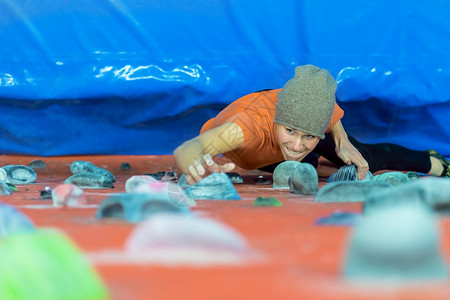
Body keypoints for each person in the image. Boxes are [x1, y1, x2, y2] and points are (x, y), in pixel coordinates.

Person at [174, 65, 449, 185]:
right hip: (256, 131)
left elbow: (329, 113)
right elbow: (190, 149)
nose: (297, 145)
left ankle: (436, 163)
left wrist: (342, 141)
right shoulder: (244, 129)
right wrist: (195, 164)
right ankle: (311, 151)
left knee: (366, 159)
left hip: (293, 114)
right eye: (290, 131)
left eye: (310, 136)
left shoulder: (316, 112)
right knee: (305, 164)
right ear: (278, 120)